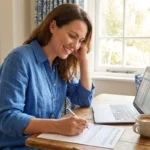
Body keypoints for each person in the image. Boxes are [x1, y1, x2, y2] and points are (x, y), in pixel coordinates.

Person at [0, 3, 95, 150]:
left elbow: (84, 99)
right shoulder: (19, 59)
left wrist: (83, 60)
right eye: (72, 36)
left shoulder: (60, 64)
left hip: (48, 144)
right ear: (52, 27)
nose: (75, 46)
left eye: (81, 41)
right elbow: (7, 119)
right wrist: (58, 126)